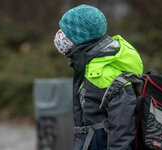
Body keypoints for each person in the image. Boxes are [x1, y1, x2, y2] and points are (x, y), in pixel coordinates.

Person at [54, 4, 143, 150]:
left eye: (65, 32)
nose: (60, 36)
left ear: (81, 36)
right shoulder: (91, 65)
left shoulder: (104, 73)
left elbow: (122, 126)